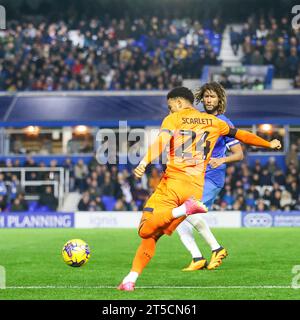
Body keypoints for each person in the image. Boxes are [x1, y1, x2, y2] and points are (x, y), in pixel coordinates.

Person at [118, 86, 281, 291]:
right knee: (154, 236)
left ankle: (184, 212)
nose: (169, 111)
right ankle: (130, 280)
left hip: (174, 184)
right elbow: (243, 136)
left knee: (144, 230)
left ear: (178, 103)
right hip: (195, 188)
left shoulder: (173, 119)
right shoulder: (215, 122)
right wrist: (268, 144)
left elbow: (161, 141)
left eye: (170, 107)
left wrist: (144, 162)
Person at [176, 82, 244, 271]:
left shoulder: (224, 123)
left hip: (212, 178)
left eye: (212, 96)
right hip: (194, 177)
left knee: (184, 211)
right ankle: (197, 257)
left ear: (219, 99)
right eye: (206, 96)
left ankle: (217, 248)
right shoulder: (198, 120)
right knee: (179, 220)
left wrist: (221, 160)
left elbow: (239, 154)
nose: (208, 100)